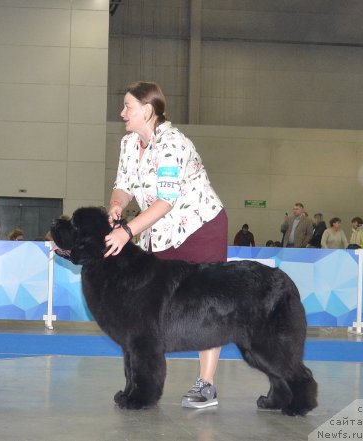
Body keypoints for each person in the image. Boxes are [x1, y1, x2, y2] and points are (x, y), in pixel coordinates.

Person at [104, 81, 227, 409]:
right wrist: (117, 204)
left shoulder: (173, 143)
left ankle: (206, 384)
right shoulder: (129, 143)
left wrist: (126, 231)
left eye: (128, 107)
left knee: (204, 304)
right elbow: (123, 185)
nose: (122, 113)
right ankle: (146, 381)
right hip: (159, 232)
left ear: (147, 111)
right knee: (152, 307)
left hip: (200, 228)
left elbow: (166, 200)